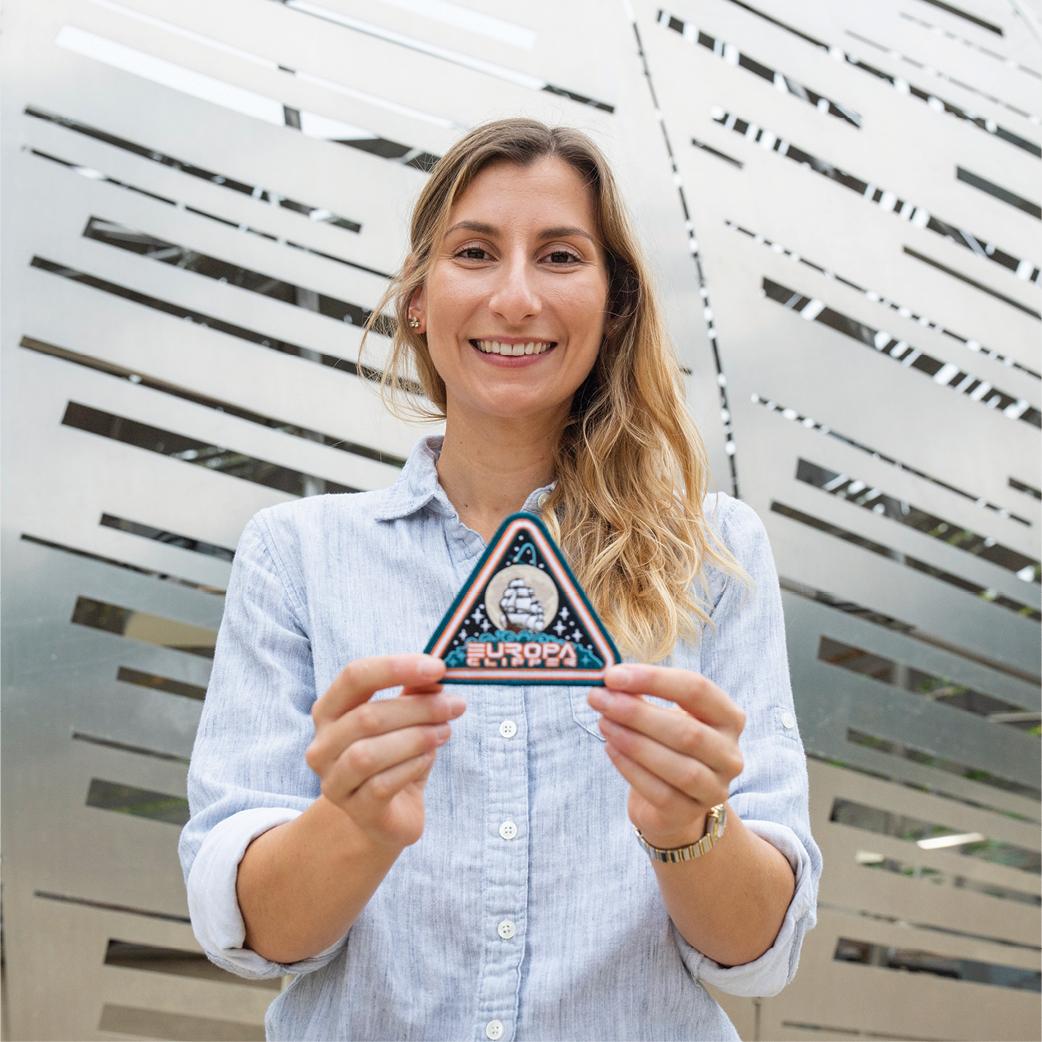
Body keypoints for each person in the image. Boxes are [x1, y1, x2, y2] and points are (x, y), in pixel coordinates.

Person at [178, 116, 822, 1042]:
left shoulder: (712, 551)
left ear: (614, 305)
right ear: (416, 297)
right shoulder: (297, 554)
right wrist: (354, 828)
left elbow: (759, 954)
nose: (514, 297)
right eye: (475, 252)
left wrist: (690, 824)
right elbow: (259, 941)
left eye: (560, 257)